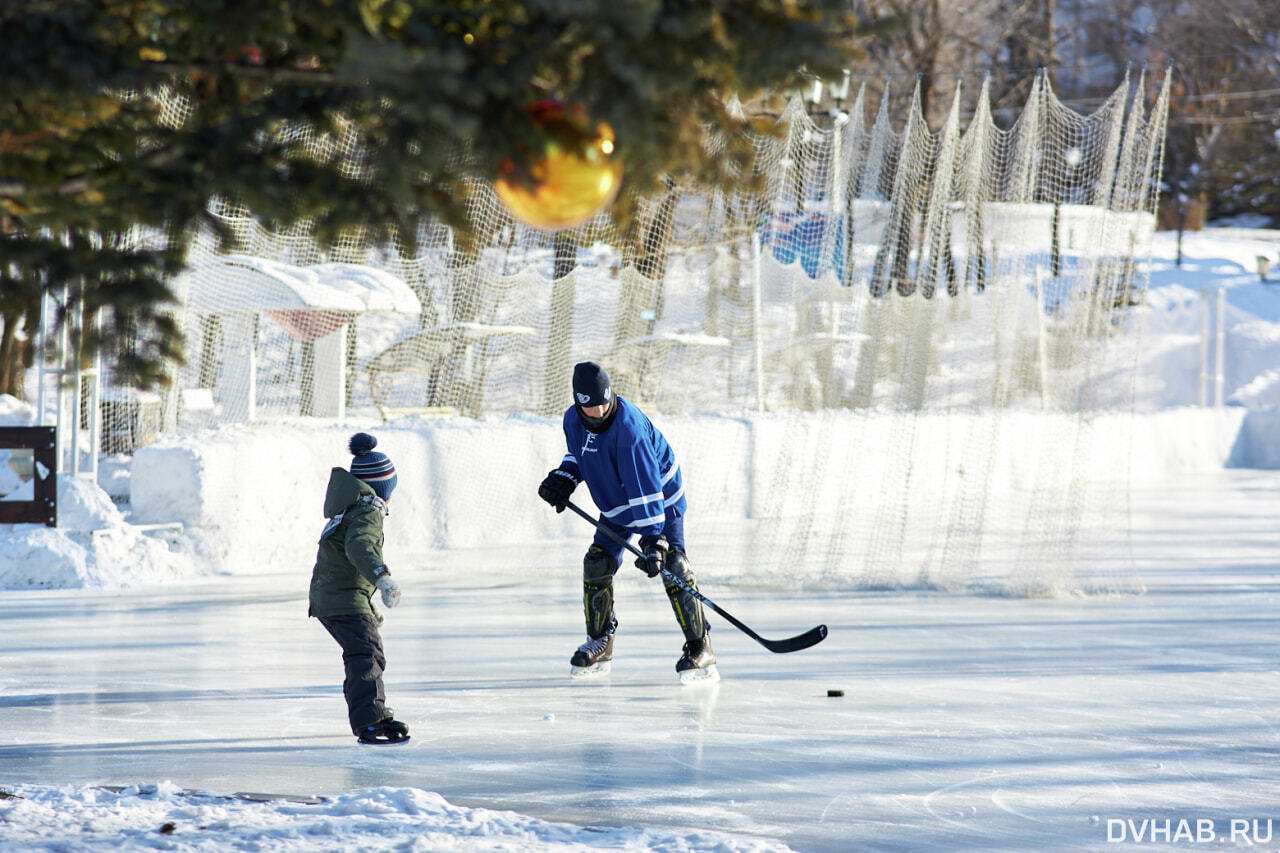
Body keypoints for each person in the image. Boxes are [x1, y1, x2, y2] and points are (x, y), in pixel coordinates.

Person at [538, 361, 715, 680]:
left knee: (673, 566)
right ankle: (600, 641)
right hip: (616, 499)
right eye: (592, 406)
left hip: (660, 499)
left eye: (606, 401)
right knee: (596, 563)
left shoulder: (629, 429)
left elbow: (646, 486)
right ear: (579, 404)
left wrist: (653, 540)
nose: (601, 409)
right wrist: (565, 477)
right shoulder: (572, 420)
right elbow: (580, 454)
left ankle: (700, 646)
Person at [309, 432, 410, 744]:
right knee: (365, 654)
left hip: (334, 595)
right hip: (341, 598)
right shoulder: (367, 509)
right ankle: (370, 720)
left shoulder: (350, 506)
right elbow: (360, 547)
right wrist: (381, 576)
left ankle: (371, 714)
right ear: (383, 488)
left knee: (365, 652)